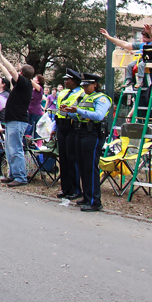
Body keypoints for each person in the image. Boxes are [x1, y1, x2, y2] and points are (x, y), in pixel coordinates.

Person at [60, 72, 111, 212]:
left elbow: (99, 115)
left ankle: (95, 200)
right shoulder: (85, 97)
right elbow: (79, 114)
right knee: (82, 165)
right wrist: (69, 112)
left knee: (90, 166)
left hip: (92, 133)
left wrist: (79, 110)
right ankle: (87, 196)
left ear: (95, 84)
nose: (84, 88)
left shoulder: (101, 99)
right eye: (83, 85)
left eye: (87, 85)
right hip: (80, 131)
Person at [0, 44, 34, 187]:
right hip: (12, 120)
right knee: (10, 149)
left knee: (16, 149)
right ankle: (13, 174)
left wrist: (2, 56)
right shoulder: (20, 84)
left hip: (18, 121)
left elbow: (11, 70)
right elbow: (9, 73)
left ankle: (20, 177)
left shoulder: (25, 83)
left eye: (19, 71)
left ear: (22, 73)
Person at [54, 69, 84, 201]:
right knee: (63, 158)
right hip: (61, 125)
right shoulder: (62, 93)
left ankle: (75, 189)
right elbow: (57, 109)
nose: (65, 81)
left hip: (72, 125)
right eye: (65, 79)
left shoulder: (82, 93)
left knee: (72, 158)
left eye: (68, 79)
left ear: (75, 81)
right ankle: (65, 188)